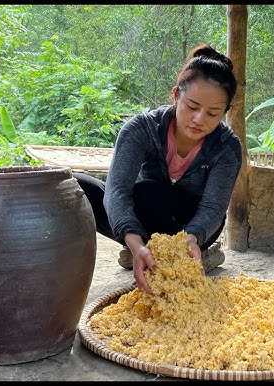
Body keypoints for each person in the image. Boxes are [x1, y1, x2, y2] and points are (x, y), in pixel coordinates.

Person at [74, 44, 242, 294]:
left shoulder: (226, 146)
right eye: (192, 107)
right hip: (143, 215)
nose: (199, 119)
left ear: (226, 112)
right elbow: (117, 191)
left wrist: (192, 237)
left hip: (191, 225)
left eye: (213, 113)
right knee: (78, 186)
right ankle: (143, 251)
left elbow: (213, 208)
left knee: (151, 194)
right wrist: (133, 240)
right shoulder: (141, 129)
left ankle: (183, 255)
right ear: (176, 95)